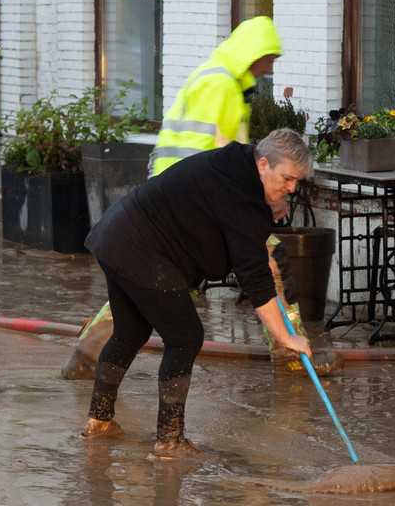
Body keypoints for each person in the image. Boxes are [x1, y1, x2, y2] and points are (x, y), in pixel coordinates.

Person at [61, 16, 341, 379]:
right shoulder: (221, 85)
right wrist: (258, 199)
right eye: (268, 59)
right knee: (265, 264)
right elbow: (220, 153)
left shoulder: (215, 76)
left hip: (175, 193)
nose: (268, 67)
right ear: (252, 55)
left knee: (151, 282)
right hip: (188, 198)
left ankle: (87, 353)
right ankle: (291, 356)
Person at [80, 129, 315, 458]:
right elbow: (256, 279)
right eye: (287, 179)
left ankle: (99, 422)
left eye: (296, 182)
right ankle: (169, 441)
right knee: (186, 337)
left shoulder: (235, 165)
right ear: (263, 164)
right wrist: (286, 337)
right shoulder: (243, 197)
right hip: (142, 248)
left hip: (116, 233)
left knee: (130, 331)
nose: (291, 188)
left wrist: (266, 205)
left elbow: (226, 213)